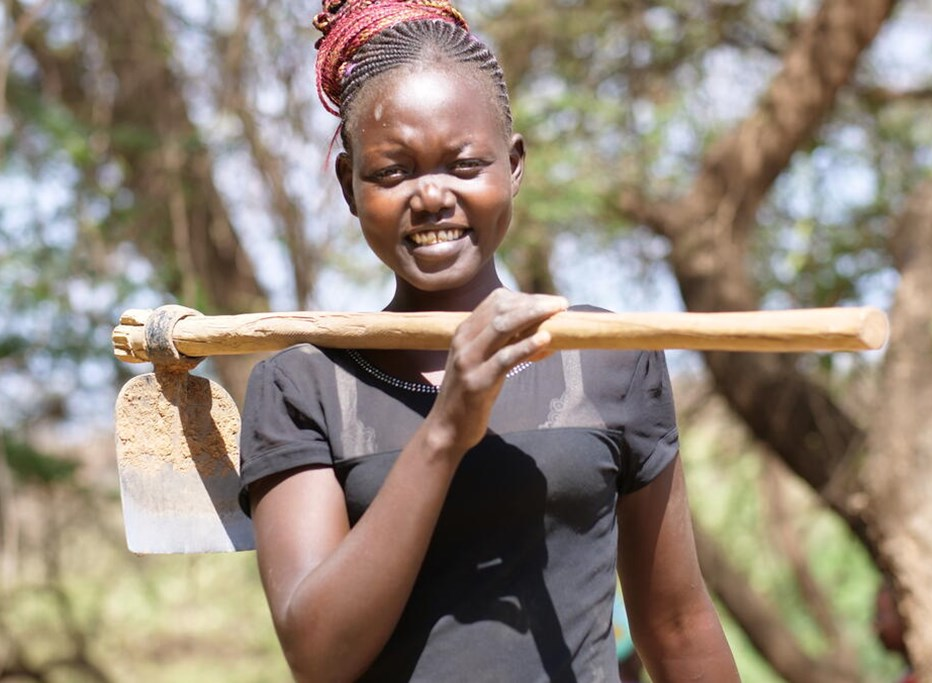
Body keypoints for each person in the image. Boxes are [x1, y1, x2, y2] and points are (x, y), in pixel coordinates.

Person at [239, 1, 740, 681]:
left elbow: (676, 624)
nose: (431, 195)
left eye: (464, 164)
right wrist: (446, 430)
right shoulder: (303, 385)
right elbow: (318, 655)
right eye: (392, 172)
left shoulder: (604, 353)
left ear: (513, 165)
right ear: (349, 186)